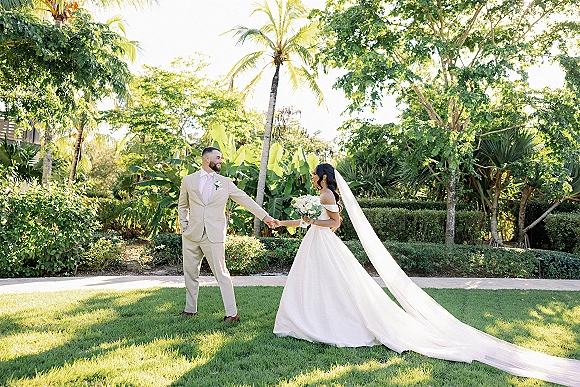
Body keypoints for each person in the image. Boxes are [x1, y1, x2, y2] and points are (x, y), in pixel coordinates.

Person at [272, 163, 580, 387]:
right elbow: (314, 222)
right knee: (321, 285)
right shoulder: (322, 196)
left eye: (315, 173)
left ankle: (318, 319)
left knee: (332, 285)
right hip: (317, 243)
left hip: (324, 243)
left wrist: (310, 221)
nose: (312, 176)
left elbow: (335, 224)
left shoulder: (325, 196)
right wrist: (293, 222)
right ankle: (312, 317)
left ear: (323, 177)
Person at [178, 147, 276, 322]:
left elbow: (245, 199)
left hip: (214, 236)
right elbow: (182, 205)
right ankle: (190, 309)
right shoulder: (188, 180)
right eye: (218, 158)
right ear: (207, 159)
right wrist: (184, 226)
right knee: (190, 273)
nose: (221, 161)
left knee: (221, 274)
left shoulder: (225, 182)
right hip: (192, 235)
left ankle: (232, 314)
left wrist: (265, 217)